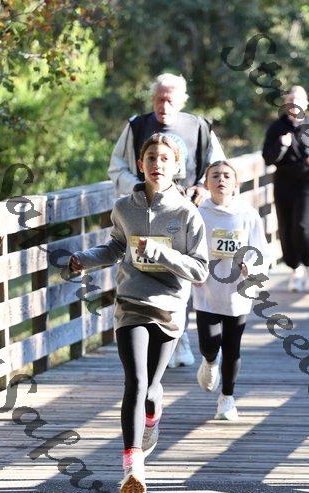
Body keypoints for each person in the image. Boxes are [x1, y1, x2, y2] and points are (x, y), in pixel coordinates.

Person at [69, 134, 209, 493]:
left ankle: (152, 417)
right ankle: (133, 468)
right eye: (150, 157)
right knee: (135, 381)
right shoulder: (123, 207)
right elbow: (116, 246)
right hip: (131, 301)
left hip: (169, 307)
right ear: (140, 164)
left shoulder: (186, 213)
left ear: (176, 166)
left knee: (150, 389)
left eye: (164, 158)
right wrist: (84, 259)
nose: (156, 164)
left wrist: (162, 255)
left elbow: (200, 270)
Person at [108, 73, 225, 368]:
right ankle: (165, 339)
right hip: (146, 208)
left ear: (182, 101)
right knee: (150, 274)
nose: (163, 105)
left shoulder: (199, 126)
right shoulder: (137, 126)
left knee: (182, 273)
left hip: (185, 210)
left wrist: (203, 187)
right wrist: (140, 187)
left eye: (170, 100)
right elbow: (116, 167)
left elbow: (217, 164)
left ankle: (179, 336)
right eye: (159, 99)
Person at [192, 160, 271, 420]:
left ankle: (227, 399)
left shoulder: (247, 214)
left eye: (227, 176)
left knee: (232, 346)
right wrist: (192, 271)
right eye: (215, 176)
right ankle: (209, 361)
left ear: (236, 183)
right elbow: (187, 247)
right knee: (209, 343)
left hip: (238, 291)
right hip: (207, 289)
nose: (221, 180)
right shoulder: (198, 213)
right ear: (206, 184)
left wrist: (252, 268)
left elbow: (260, 250)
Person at [262, 86, 309, 292]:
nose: (294, 104)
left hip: (306, 181)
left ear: (306, 103)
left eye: (298, 100)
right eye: (290, 100)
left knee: (301, 226)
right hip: (283, 181)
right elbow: (267, 157)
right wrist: (280, 145)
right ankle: (294, 269)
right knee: (285, 227)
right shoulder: (277, 127)